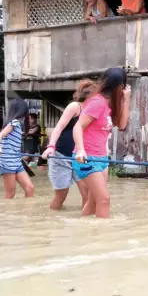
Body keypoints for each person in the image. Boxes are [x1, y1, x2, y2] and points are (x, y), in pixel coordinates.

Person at [73, 68, 130, 218]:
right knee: (104, 199)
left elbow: (122, 125)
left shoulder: (110, 105)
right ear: (120, 87)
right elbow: (78, 126)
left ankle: (82, 231)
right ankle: (103, 238)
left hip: (101, 159)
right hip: (86, 158)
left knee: (94, 201)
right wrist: (80, 149)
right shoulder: (97, 102)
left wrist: (126, 99)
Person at [42, 80, 94, 210]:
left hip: (79, 157)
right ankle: (52, 220)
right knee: (61, 196)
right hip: (61, 155)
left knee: (87, 193)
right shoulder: (75, 107)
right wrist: (51, 146)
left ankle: (85, 225)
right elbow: (59, 127)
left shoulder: (94, 110)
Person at [0, 98, 35, 199]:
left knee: (30, 188)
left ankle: (27, 212)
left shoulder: (17, 124)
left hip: (16, 160)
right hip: (7, 161)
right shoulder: (14, 123)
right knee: (10, 194)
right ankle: (5, 214)